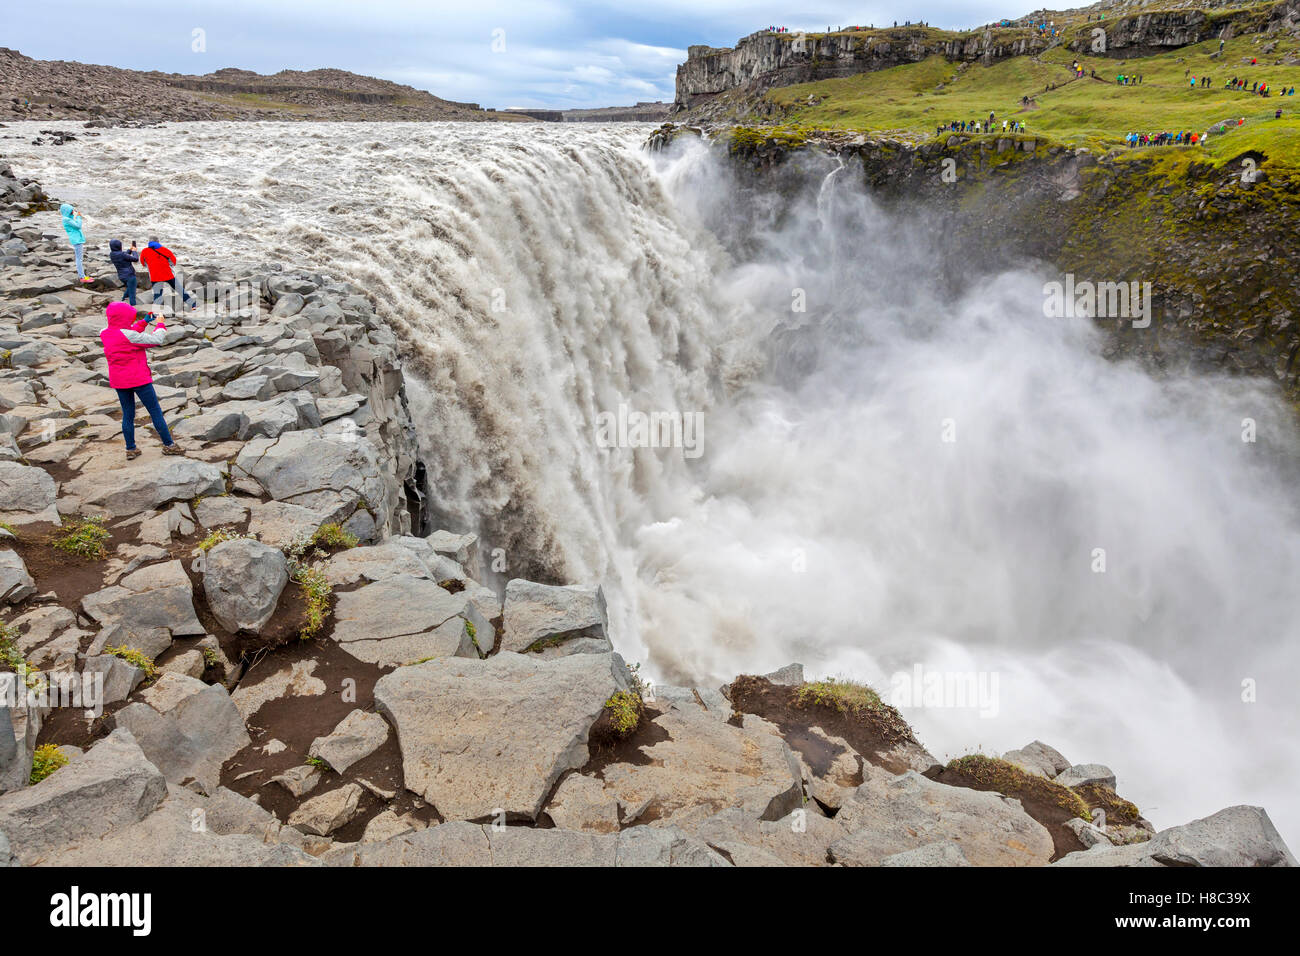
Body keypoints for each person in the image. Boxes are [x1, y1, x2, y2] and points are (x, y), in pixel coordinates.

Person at [100, 301, 186, 460]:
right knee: (155, 412)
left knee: (128, 414)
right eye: (130, 318)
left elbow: (128, 333)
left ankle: (131, 449)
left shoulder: (104, 333)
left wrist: (145, 321)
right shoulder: (130, 336)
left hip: (119, 381)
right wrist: (160, 324)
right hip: (139, 380)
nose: (132, 321)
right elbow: (156, 339)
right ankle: (169, 445)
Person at [140, 236, 197, 311]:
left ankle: (157, 312)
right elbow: (173, 261)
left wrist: (151, 265)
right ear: (158, 241)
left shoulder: (144, 251)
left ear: (149, 242)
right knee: (179, 289)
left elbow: (143, 263)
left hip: (155, 276)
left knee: (157, 294)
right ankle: (192, 304)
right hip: (168, 274)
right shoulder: (165, 250)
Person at [60, 204, 92, 284]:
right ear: (66, 211)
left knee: (79, 258)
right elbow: (78, 226)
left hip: (77, 239)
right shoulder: (66, 219)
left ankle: (82, 275)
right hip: (76, 240)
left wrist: (76, 216)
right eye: (71, 210)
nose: (72, 211)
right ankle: (82, 277)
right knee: (79, 259)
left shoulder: (68, 218)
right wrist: (78, 217)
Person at [109, 239, 140, 305]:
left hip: (122, 276)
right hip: (130, 276)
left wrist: (130, 250)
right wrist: (134, 251)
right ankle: (133, 308)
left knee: (129, 288)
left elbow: (124, 256)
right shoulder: (122, 254)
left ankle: (123, 300)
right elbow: (135, 259)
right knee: (132, 295)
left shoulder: (112, 254)